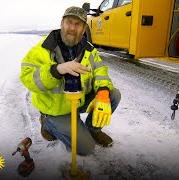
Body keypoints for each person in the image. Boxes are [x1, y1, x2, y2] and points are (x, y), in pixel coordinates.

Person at [20, 6, 121, 155]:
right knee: (86, 148)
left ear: (84, 28)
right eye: (69, 22)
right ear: (62, 23)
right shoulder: (42, 48)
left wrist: (103, 93)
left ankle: (93, 130)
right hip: (56, 110)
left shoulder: (89, 49)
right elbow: (28, 78)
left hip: (78, 100)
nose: (72, 28)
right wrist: (57, 70)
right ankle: (47, 123)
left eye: (78, 24)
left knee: (113, 95)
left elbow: (100, 71)